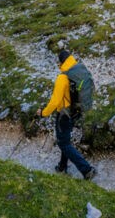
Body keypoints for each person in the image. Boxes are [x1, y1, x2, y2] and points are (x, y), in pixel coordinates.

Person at [39, 49, 96, 180]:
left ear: (61, 63)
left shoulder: (62, 77)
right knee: (65, 141)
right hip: (75, 112)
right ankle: (62, 166)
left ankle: (87, 170)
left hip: (63, 115)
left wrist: (43, 113)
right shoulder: (79, 69)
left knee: (63, 143)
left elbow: (55, 102)